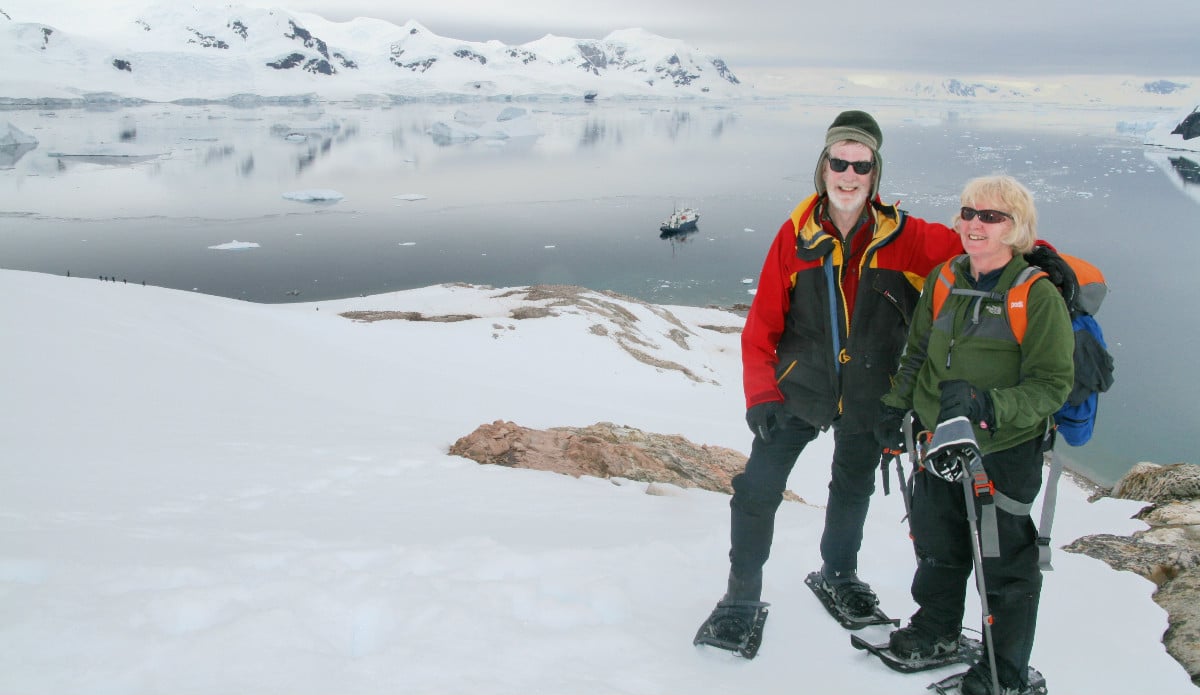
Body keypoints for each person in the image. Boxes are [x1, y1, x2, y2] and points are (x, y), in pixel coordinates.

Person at [704, 110, 964, 635]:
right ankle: (740, 599)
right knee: (757, 489)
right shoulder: (794, 237)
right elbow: (760, 328)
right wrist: (761, 396)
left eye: (861, 166)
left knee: (853, 485)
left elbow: (984, 249)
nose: (849, 175)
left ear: (875, 173)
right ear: (823, 168)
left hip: (873, 393)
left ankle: (838, 573)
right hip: (799, 389)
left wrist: (1044, 262)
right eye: (839, 163)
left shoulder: (908, 237)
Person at [878, 175, 1074, 695]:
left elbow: (1054, 385)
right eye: (968, 213)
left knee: (1004, 565)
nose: (974, 224)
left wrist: (989, 407)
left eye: (991, 217)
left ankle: (1003, 670)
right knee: (938, 544)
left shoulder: (1035, 295)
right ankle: (938, 630)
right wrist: (897, 408)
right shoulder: (944, 279)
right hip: (935, 442)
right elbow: (917, 351)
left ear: (1017, 230)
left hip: (1001, 452)